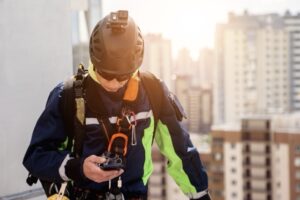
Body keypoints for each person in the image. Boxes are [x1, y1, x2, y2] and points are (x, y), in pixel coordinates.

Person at [23, 10, 211, 200]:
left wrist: (201, 195)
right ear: (94, 61)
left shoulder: (153, 91)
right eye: (105, 74)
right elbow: (36, 157)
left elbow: (180, 151)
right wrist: (79, 168)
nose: (113, 84)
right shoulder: (69, 95)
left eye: (122, 77)